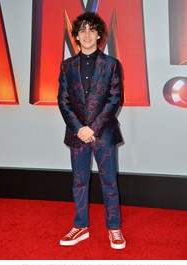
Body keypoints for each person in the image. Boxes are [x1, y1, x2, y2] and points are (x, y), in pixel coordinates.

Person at [57, 11, 126, 249]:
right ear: (76, 35)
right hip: (77, 135)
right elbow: (63, 101)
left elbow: (115, 99)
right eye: (82, 30)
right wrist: (79, 129)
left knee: (109, 181)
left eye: (92, 30)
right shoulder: (67, 66)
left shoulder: (111, 65)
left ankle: (114, 228)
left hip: (104, 134)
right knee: (79, 182)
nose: (87, 34)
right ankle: (81, 226)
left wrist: (92, 128)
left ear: (99, 35)